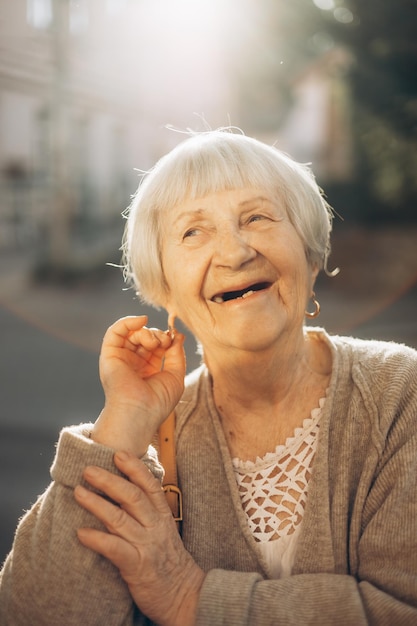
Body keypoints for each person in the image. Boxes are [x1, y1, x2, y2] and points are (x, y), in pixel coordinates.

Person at [1, 129, 416, 626]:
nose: (236, 252)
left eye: (257, 217)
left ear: (310, 255)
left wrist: (188, 598)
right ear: (166, 290)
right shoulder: (146, 437)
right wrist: (124, 424)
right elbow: (32, 614)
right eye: (193, 232)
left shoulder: (400, 393)